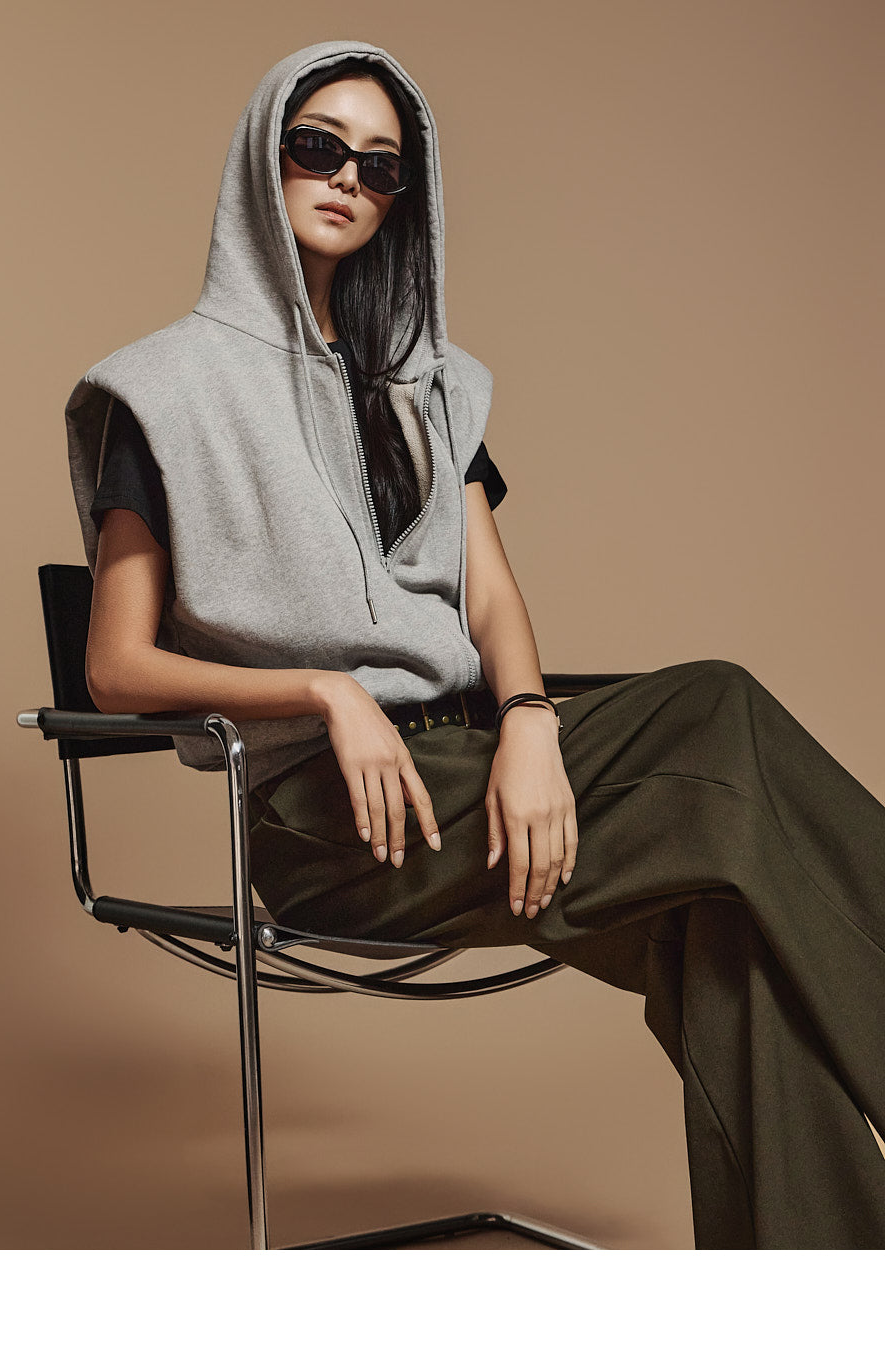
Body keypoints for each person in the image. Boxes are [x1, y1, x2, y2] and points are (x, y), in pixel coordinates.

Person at [65, 39, 885, 1249]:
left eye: (380, 166)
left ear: (405, 197)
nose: (347, 179)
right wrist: (327, 692)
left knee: (727, 922)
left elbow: (491, 599)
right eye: (317, 148)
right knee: (716, 708)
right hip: (332, 819)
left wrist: (530, 723)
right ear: (262, 158)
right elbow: (115, 667)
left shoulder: (430, 386)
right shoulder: (162, 391)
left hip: (471, 771)